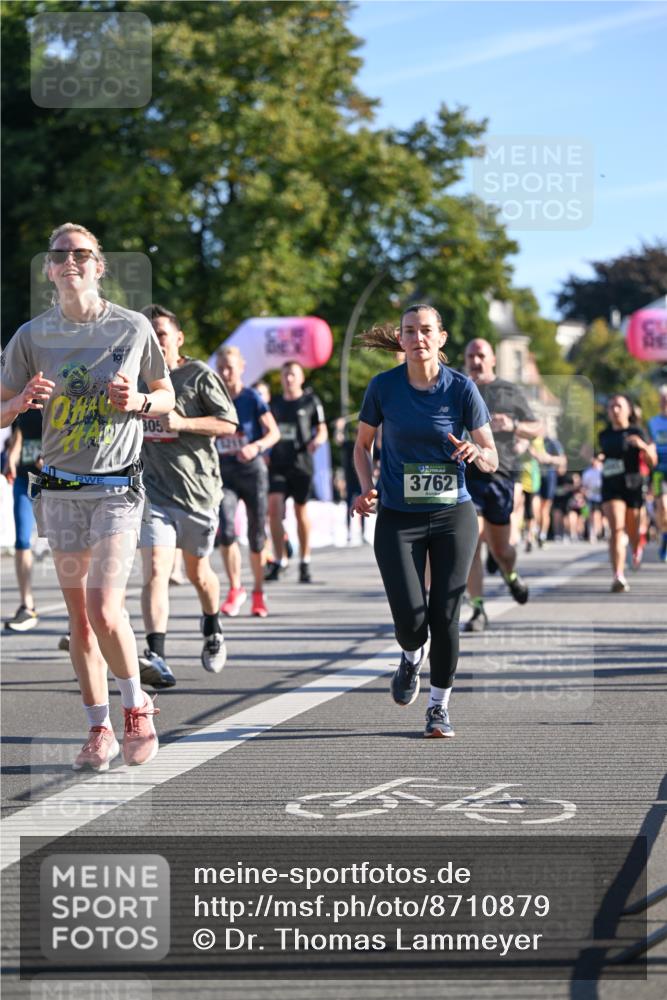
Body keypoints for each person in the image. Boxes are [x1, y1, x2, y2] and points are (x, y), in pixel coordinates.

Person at [0, 222, 175, 770]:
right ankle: (98, 727)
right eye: (59, 254)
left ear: (100, 265)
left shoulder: (133, 326)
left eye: (81, 253)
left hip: (117, 487)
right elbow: (1, 408)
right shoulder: (31, 336)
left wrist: (140, 401)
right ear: (49, 269)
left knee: (104, 605)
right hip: (59, 489)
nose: (70, 261)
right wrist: (22, 399)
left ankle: (136, 707)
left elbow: (166, 398)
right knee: (79, 620)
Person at [353, 305, 497, 738]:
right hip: (398, 516)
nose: (418, 337)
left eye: (426, 330)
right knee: (411, 619)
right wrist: (365, 488)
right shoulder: (383, 387)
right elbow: (363, 446)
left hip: (454, 513)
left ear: (442, 337)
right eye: (410, 331)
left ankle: (438, 706)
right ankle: (411, 656)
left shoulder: (462, 389)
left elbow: (492, 457)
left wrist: (475, 452)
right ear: (401, 339)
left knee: (445, 614)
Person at [138, 305, 238, 686]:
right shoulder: (135, 377)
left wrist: (183, 423)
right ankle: (156, 655)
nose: (154, 340)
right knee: (156, 573)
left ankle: (212, 626)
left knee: (198, 573)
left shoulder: (197, 375)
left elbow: (228, 422)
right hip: (154, 494)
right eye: (148, 333)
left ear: (178, 338)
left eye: (161, 333)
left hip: (198, 492)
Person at [462, 338, 541, 632]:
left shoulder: (509, 390)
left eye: (481, 355)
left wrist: (514, 426)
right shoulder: (457, 387)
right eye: (471, 355)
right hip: (467, 476)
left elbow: (536, 427)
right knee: (471, 543)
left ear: (492, 359)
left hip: (501, 476)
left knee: (502, 549)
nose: (476, 360)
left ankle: (511, 575)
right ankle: (478, 609)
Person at [215, 345, 280, 618]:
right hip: (225, 471)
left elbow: (273, 432)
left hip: (251, 470)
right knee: (227, 530)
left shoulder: (252, 397)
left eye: (230, 367)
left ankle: (258, 592)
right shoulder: (213, 397)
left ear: (241, 367)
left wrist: (256, 447)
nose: (226, 373)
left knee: (256, 535)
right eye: (221, 368)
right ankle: (235, 588)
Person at [266, 360, 328, 583]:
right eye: (285, 375)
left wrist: (317, 441)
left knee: (301, 511)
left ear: (301, 378)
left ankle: (304, 560)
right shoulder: (275, 402)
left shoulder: (310, 401)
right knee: (274, 508)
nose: (289, 379)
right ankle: (279, 559)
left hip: (301, 463)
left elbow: (322, 429)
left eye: (293, 374)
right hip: (278, 463)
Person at [599, 393, 656, 592]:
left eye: (619, 406)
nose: (614, 410)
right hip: (610, 485)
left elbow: (652, 460)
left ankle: (636, 547)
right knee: (616, 528)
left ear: (628, 410)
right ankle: (618, 575)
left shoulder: (637, 431)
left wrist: (642, 446)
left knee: (632, 530)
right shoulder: (604, 435)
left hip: (632, 486)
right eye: (611, 406)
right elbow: (601, 456)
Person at [3, 409, 42, 631]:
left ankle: (77, 615)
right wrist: (12, 456)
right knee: (22, 540)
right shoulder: (22, 392)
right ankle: (27, 606)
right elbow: (19, 431)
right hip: (25, 478)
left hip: (55, 479)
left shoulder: (58, 388)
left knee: (65, 547)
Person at [647, 385, 667, 562]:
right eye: (663, 399)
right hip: (660, 469)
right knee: (663, 507)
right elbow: (649, 445)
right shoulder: (652, 422)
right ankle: (664, 536)